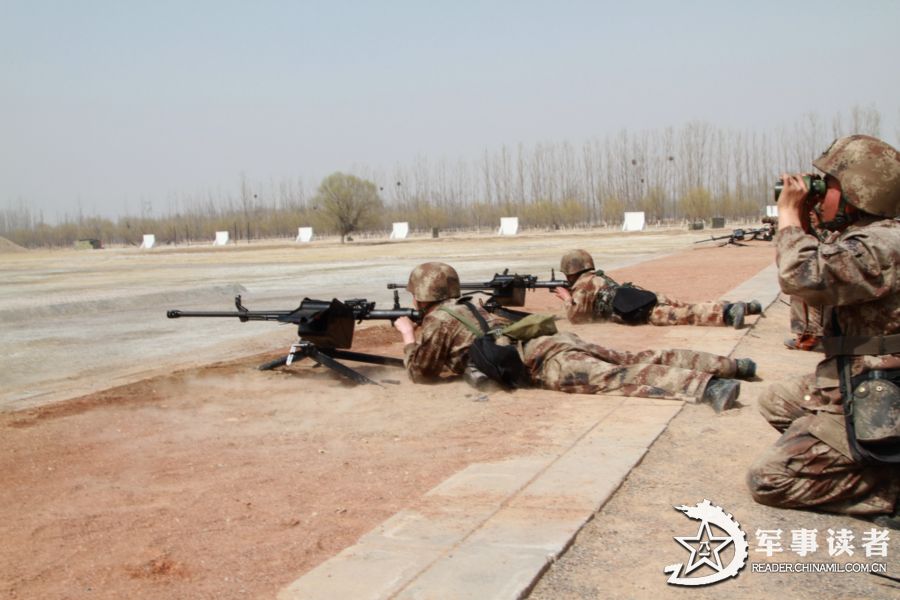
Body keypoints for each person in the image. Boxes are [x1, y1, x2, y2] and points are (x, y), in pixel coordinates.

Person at [746, 135, 900, 527]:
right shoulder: (867, 236)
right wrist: (812, 219)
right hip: (859, 372)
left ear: (858, 192)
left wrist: (788, 218)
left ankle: (888, 486)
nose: (819, 190)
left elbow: (801, 275)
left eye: (827, 185)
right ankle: (850, 452)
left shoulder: (884, 244)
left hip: (882, 384)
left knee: (769, 480)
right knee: (777, 401)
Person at [391, 262, 757, 412]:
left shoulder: (439, 320)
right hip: (555, 342)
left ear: (421, 295)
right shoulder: (472, 306)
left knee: (618, 378)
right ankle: (731, 365)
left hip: (541, 361)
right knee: (633, 357)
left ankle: (708, 387)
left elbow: (420, 371)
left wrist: (408, 335)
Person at [552, 249, 763, 329]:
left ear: (571, 271)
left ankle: (727, 313)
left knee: (685, 315)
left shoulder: (581, 286)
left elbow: (576, 316)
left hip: (640, 310)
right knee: (690, 305)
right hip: (645, 297)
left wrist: (564, 297)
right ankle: (743, 307)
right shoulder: (597, 277)